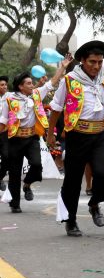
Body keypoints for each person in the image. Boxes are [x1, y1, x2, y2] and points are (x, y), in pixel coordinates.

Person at [47, 17, 104, 237]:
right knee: (72, 181)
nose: (96, 66)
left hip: (100, 135)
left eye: (100, 62)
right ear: (82, 61)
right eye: (92, 62)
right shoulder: (70, 80)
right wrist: (50, 135)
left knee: (102, 176)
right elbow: (56, 108)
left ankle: (95, 203)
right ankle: (71, 221)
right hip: (76, 136)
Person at [0, 57, 71, 213]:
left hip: (32, 137)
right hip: (15, 139)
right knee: (14, 172)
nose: (33, 85)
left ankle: (27, 184)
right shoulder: (9, 99)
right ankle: (15, 204)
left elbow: (51, 82)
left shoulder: (36, 94)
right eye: (29, 83)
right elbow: (4, 119)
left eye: (32, 83)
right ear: (20, 86)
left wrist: (63, 67)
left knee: (37, 165)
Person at [0, 75, 9, 192]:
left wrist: (39, 84)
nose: (5, 87)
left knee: (6, 157)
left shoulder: (9, 97)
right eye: (2, 85)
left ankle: (0, 177)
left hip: (4, 134)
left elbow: (26, 94)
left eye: (5, 85)